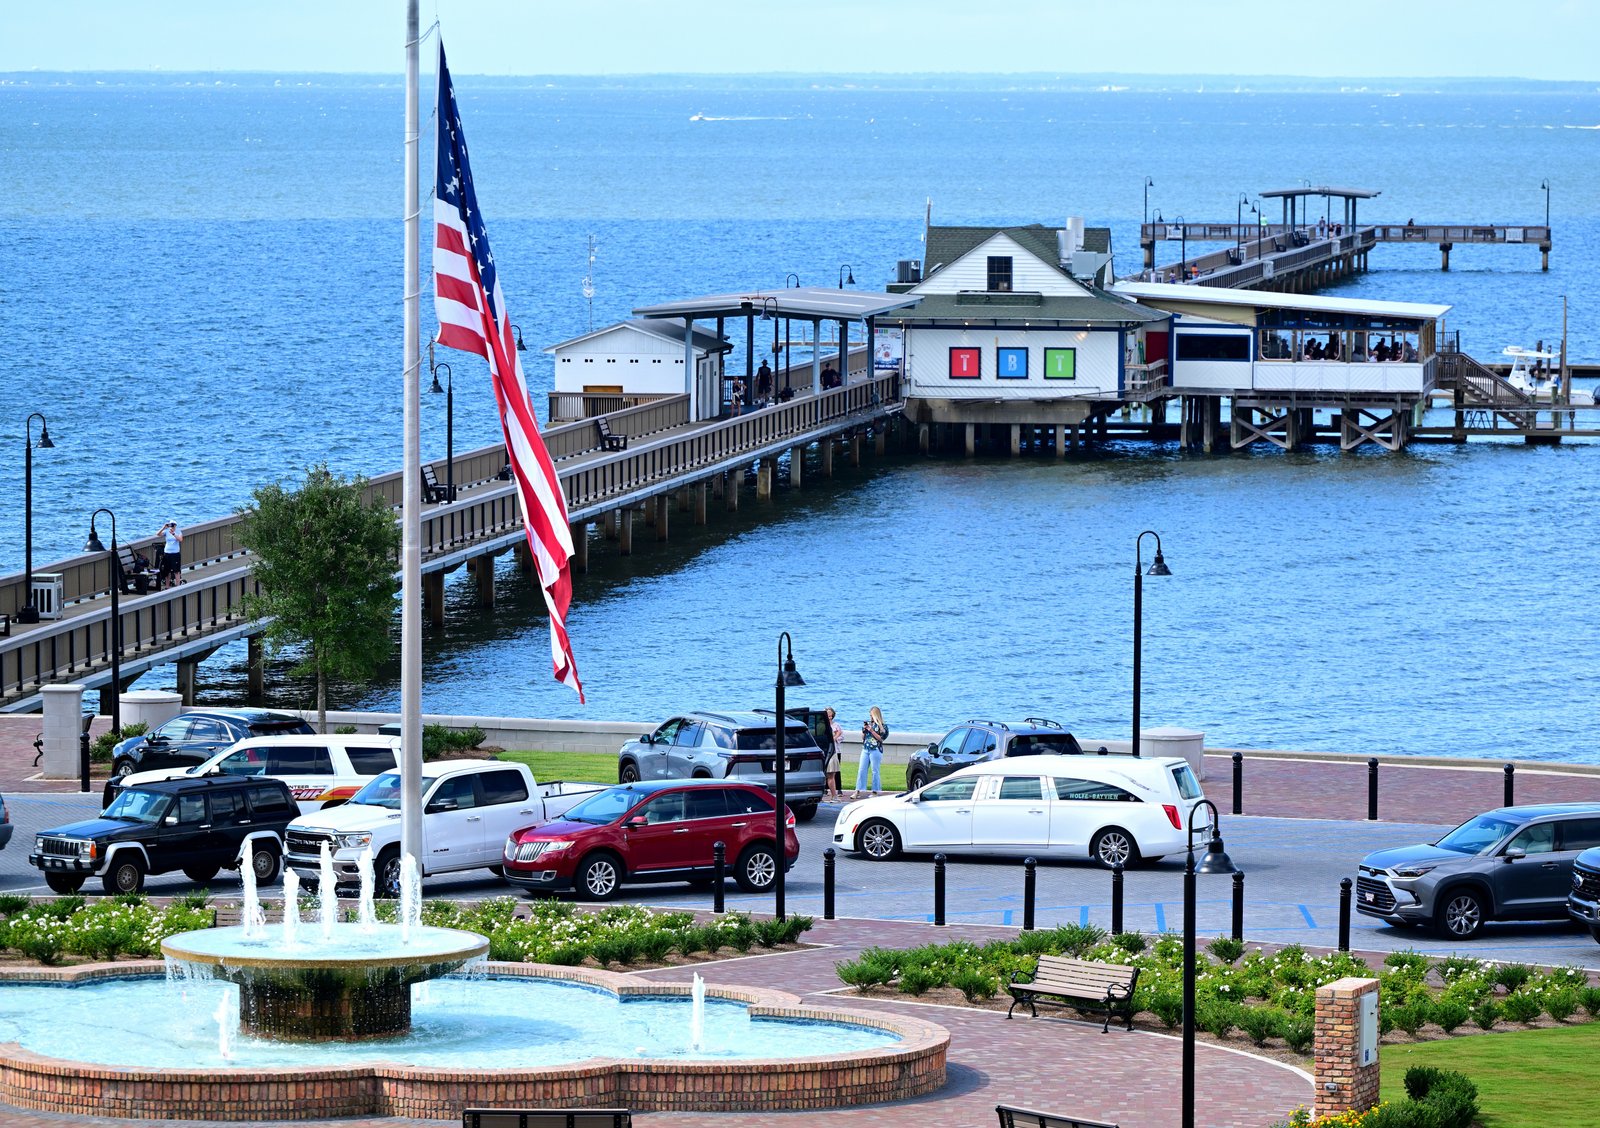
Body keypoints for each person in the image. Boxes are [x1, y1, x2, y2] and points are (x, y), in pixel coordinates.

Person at [856, 706, 888, 799]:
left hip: (876, 750)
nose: (870, 717)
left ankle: (875, 791)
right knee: (861, 770)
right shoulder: (869, 724)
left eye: (872, 715)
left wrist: (871, 731)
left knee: (875, 771)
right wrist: (864, 731)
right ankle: (858, 790)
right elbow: (863, 738)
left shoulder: (883, 726)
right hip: (865, 749)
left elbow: (881, 739)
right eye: (870, 716)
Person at [824, 707, 845, 802]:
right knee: (828, 773)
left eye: (830, 715)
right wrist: (837, 735)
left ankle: (837, 790)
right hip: (827, 751)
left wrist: (837, 736)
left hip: (835, 751)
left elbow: (841, 738)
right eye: (828, 715)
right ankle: (828, 791)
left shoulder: (836, 725)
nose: (829, 717)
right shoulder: (822, 726)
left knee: (834, 772)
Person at [156, 521, 183, 589]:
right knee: (167, 571)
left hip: (175, 553)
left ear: (175, 525)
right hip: (167, 553)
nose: (171, 526)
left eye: (173, 525)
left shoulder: (178, 531)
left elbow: (180, 539)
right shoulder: (167, 531)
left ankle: (178, 586)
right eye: (170, 525)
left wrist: (173, 533)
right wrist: (164, 528)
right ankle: (167, 586)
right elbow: (158, 534)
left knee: (176, 571)